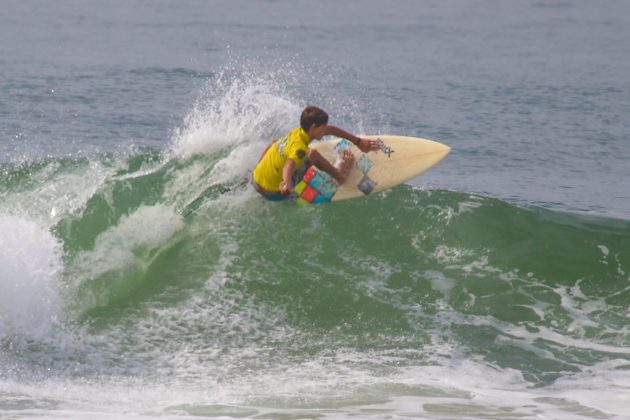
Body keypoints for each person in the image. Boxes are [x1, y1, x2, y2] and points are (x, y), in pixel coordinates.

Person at [252, 106, 380, 200]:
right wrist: (286, 183)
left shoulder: (298, 133)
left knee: (276, 143)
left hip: (255, 179)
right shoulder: (300, 149)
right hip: (273, 193)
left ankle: (258, 170)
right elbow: (289, 166)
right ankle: (341, 177)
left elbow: (330, 130)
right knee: (312, 155)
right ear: (313, 127)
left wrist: (358, 142)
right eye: (323, 127)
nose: (325, 129)